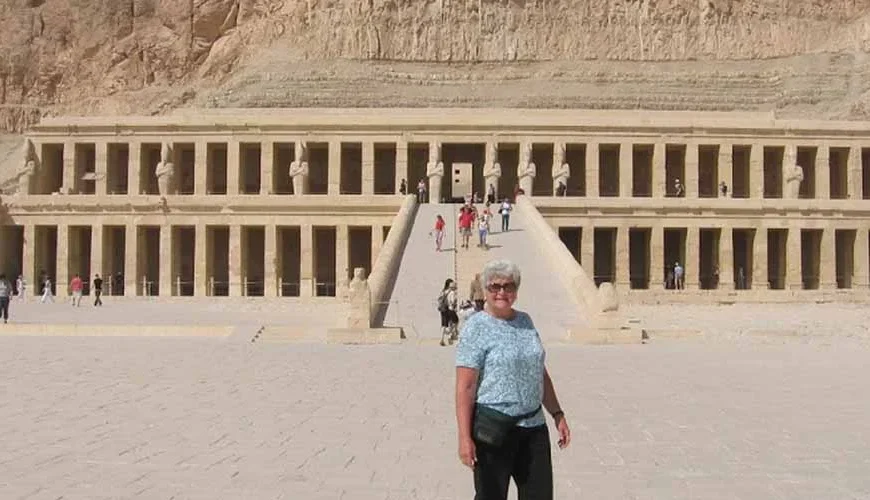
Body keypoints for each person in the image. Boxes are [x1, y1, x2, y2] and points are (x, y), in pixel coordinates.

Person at [455, 259, 571, 499]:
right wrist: (464, 438)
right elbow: (465, 386)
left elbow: (539, 371)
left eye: (508, 286)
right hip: (493, 429)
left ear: (516, 291)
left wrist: (557, 414)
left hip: (533, 427)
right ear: (484, 290)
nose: (501, 292)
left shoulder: (525, 321)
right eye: (494, 286)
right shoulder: (475, 327)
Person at [437, 279, 459, 346]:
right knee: (455, 321)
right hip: (450, 309)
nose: (453, 284)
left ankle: (442, 339)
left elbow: (439, 299)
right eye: (451, 283)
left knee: (444, 324)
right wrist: (454, 303)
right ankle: (450, 335)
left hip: (443, 309)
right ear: (449, 284)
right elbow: (452, 301)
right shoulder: (451, 292)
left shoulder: (443, 291)